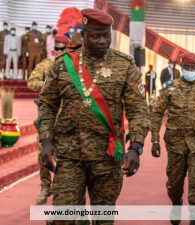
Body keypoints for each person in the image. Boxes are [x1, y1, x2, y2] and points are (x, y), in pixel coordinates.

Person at [38, 8, 149, 225]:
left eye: (106, 36)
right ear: (83, 34)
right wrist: (46, 140)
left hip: (107, 157)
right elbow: (47, 105)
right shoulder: (63, 65)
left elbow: (138, 109)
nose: (102, 41)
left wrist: (136, 147)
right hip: (70, 154)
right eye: (95, 36)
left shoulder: (124, 65)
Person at [151, 52, 195, 225]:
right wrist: (154, 139)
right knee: (174, 185)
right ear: (181, 68)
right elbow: (157, 113)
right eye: (187, 67)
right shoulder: (170, 87)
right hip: (175, 144)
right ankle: (176, 204)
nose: (190, 70)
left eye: (193, 68)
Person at [27, 34, 71, 204]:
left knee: (65, 156)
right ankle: (46, 185)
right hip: (47, 118)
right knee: (42, 153)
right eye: (57, 49)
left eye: (62, 49)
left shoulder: (74, 67)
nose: (59, 52)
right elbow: (32, 82)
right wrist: (49, 84)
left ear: (68, 49)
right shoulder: (46, 65)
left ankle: (61, 190)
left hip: (67, 119)